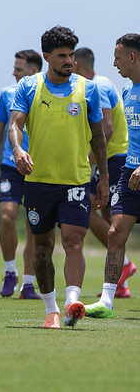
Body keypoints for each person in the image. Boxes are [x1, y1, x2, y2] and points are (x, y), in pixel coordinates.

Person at [9, 25, 107, 329]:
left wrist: (103, 176)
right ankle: (51, 309)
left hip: (76, 180)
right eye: (63, 55)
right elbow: (15, 124)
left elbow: (99, 137)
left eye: (72, 55)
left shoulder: (88, 89)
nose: (69, 61)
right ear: (47, 56)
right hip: (39, 181)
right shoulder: (28, 86)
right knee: (42, 248)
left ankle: (71, 303)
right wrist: (17, 150)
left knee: (74, 241)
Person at [85, 33, 140, 318]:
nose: (114, 63)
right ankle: (107, 301)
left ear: (132, 57)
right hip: (129, 172)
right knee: (115, 232)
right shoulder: (127, 92)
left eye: (118, 57)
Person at [73, 47, 135, 298]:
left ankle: (126, 265)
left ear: (75, 64)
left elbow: (106, 128)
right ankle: (121, 279)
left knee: (86, 209)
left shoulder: (97, 86)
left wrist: (90, 161)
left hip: (116, 158)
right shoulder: (101, 84)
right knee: (109, 215)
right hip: (112, 158)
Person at [0, 50, 42, 299]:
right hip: (11, 166)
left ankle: (28, 283)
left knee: (35, 226)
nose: (13, 72)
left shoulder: (46, 93)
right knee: (7, 217)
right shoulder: (7, 94)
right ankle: (10, 272)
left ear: (33, 71)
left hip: (40, 167)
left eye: (18, 69)